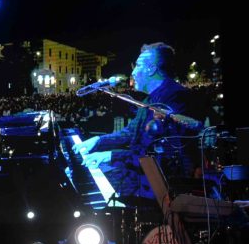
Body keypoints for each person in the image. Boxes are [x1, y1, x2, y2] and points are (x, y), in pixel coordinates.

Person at [72, 42, 205, 200]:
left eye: (138, 65)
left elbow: (156, 154)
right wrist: (98, 141)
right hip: (144, 177)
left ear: (151, 69)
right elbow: (130, 132)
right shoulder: (149, 100)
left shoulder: (175, 97)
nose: (133, 72)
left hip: (163, 189)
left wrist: (110, 156)